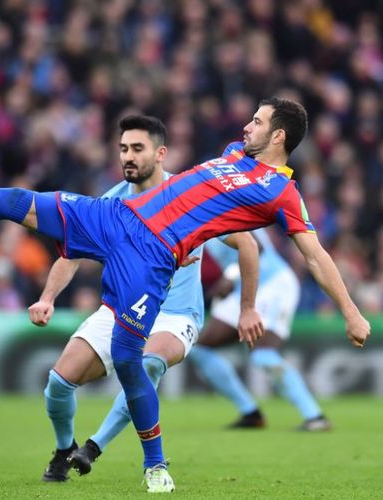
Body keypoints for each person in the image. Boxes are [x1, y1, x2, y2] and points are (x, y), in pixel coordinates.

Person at [0, 96, 371, 493]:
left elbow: (314, 254)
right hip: (116, 219)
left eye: (257, 121)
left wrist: (349, 311)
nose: (245, 126)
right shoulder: (234, 154)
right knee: (15, 201)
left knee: (130, 361)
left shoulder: (282, 193)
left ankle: (156, 465)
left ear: (278, 136)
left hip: (152, 259)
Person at [27, 115, 259, 485]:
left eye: (137, 148)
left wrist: (247, 309)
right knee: (58, 383)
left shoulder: (190, 196)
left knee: (147, 363)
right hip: (119, 311)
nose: (128, 157)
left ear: (160, 153)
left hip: (176, 315)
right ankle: (63, 450)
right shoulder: (112, 202)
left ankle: (104, 449)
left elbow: (247, 243)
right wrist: (48, 297)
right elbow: (71, 254)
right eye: (123, 149)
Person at [190, 225, 332, 431]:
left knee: (262, 354)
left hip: (272, 283)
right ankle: (250, 412)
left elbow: (254, 245)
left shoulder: (221, 202)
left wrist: (229, 276)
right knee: (199, 349)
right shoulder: (194, 215)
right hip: (244, 287)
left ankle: (315, 416)